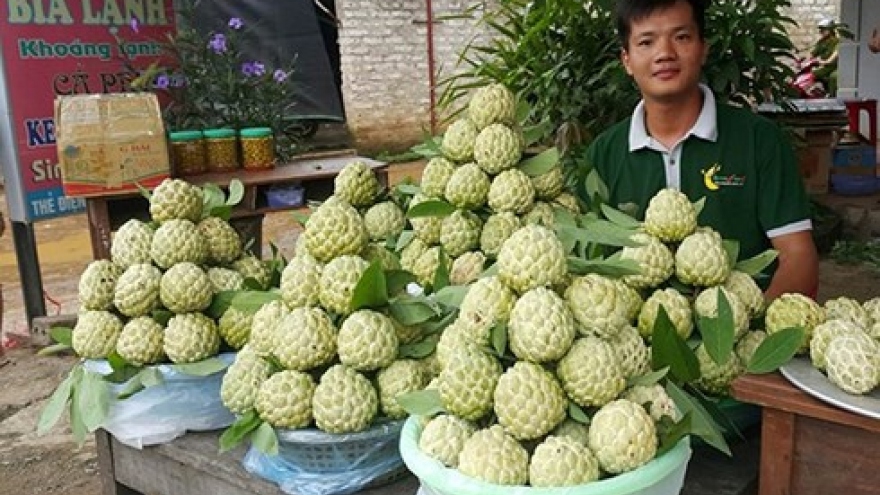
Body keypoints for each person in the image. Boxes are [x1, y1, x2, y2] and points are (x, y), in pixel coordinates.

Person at [581, 0, 818, 299]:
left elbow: (798, 256)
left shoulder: (760, 141)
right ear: (626, 60)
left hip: (746, 330)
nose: (665, 54)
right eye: (646, 41)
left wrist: (754, 336)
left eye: (681, 37)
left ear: (703, 48)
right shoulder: (604, 155)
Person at [811, 18, 840, 96]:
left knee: (833, 77)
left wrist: (826, 61)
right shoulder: (821, 42)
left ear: (830, 30)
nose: (821, 31)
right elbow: (813, 54)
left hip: (834, 67)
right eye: (820, 29)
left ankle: (832, 97)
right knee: (810, 74)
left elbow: (835, 55)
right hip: (825, 67)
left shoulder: (837, 41)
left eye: (823, 29)